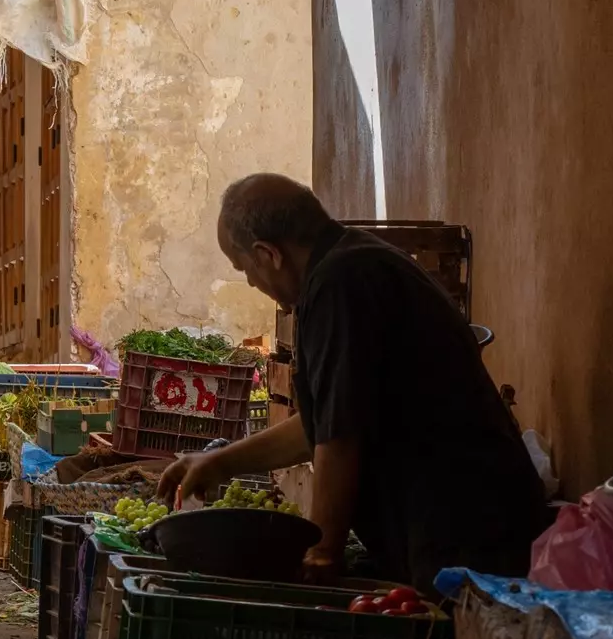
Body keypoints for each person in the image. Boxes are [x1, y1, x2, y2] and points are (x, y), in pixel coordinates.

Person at [159, 174, 549, 589]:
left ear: (268, 254)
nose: (252, 283)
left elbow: (339, 436)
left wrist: (324, 552)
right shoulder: (351, 264)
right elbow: (323, 422)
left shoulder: (341, 284)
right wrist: (219, 462)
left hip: (467, 535)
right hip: (459, 527)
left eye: (245, 269)